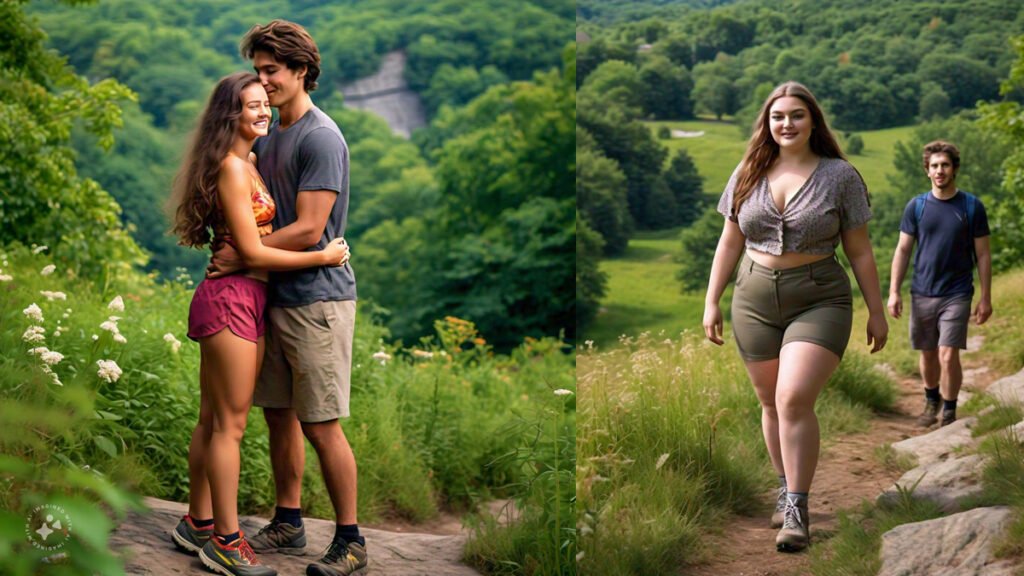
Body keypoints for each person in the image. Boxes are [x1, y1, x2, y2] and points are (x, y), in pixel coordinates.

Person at [166, 72, 350, 576]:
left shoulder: (248, 161)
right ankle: (226, 542)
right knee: (229, 425)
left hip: (245, 295)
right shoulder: (232, 167)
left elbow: (249, 247)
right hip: (232, 300)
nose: (263, 110)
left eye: (264, 102)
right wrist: (323, 257)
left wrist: (252, 258)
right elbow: (249, 250)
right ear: (231, 114)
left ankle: (197, 522)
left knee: (213, 419)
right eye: (252, 105)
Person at [206, 20, 366, 576]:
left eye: (272, 70)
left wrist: (242, 255)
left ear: (302, 71)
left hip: (319, 299)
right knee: (279, 415)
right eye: (258, 71)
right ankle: (289, 521)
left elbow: (309, 228)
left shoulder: (321, 137)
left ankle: (350, 541)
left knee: (321, 423)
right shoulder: (270, 136)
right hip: (272, 296)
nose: (263, 81)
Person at [702, 81, 888, 553]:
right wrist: (712, 301)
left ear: (813, 121)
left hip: (819, 298)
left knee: (792, 397)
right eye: (778, 116)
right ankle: (785, 488)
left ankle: (797, 510)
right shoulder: (747, 170)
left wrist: (876, 310)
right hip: (753, 300)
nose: (787, 124)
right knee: (770, 402)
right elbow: (729, 241)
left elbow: (860, 250)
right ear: (767, 123)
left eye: (797, 115)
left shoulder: (840, 175)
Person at [887, 140, 992, 428]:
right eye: (934, 166)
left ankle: (949, 409)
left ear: (954, 168)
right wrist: (894, 291)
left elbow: (982, 254)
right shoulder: (917, 207)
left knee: (948, 353)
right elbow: (903, 250)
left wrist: (986, 297)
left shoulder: (972, 207)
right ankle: (931, 400)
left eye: (945, 165)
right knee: (929, 353)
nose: (940, 170)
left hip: (957, 292)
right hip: (922, 292)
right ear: (927, 171)